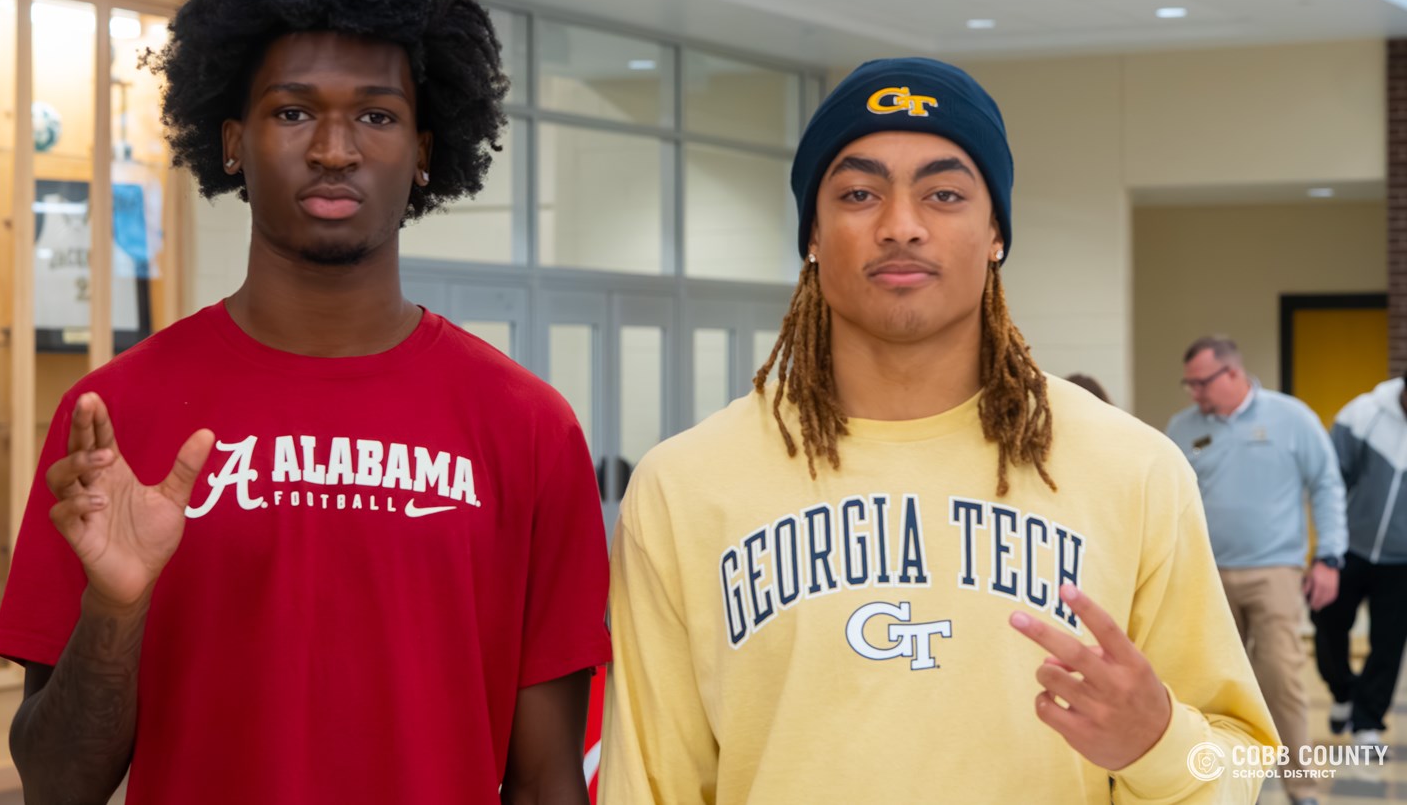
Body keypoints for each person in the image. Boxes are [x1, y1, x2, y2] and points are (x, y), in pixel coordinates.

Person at [0, 0, 610, 803]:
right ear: (231, 141)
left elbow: (548, 782)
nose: (333, 149)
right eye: (292, 111)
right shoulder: (113, 418)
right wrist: (114, 611)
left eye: (376, 115)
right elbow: (56, 784)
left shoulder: (528, 428)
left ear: (424, 153)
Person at [601, 57, 1275, 803]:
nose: (901, 226)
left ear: (996, 232)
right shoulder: (684, 486)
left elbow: (1242, 762)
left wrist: (1158, 745)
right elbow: (648, 784)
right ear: (813, 233)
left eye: (944, 194)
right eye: (859, 194)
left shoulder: (1134, 468)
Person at [1166, 335, 1347, 805]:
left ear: (1232, 373)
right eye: (1189, 385)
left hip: (1275, 573)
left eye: (1201, 383)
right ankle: (1213, 786)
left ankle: (1301, 789)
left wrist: (1329, 556)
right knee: (1209, 687)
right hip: (1205, 576)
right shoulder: (1182, 428)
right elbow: (1168, 497)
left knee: (1281, 680)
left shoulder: (1292, 418)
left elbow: (1326, 484)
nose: (1194, 393)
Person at [1315, 374, 1407, 750]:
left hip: (1401, 560)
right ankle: (1343, 691)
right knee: (1327, 624)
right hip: (1348, 548)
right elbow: (1329, 481)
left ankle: (1368, 723)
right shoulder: (1364, 413)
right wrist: (1327, 547)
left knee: (1389, 643)